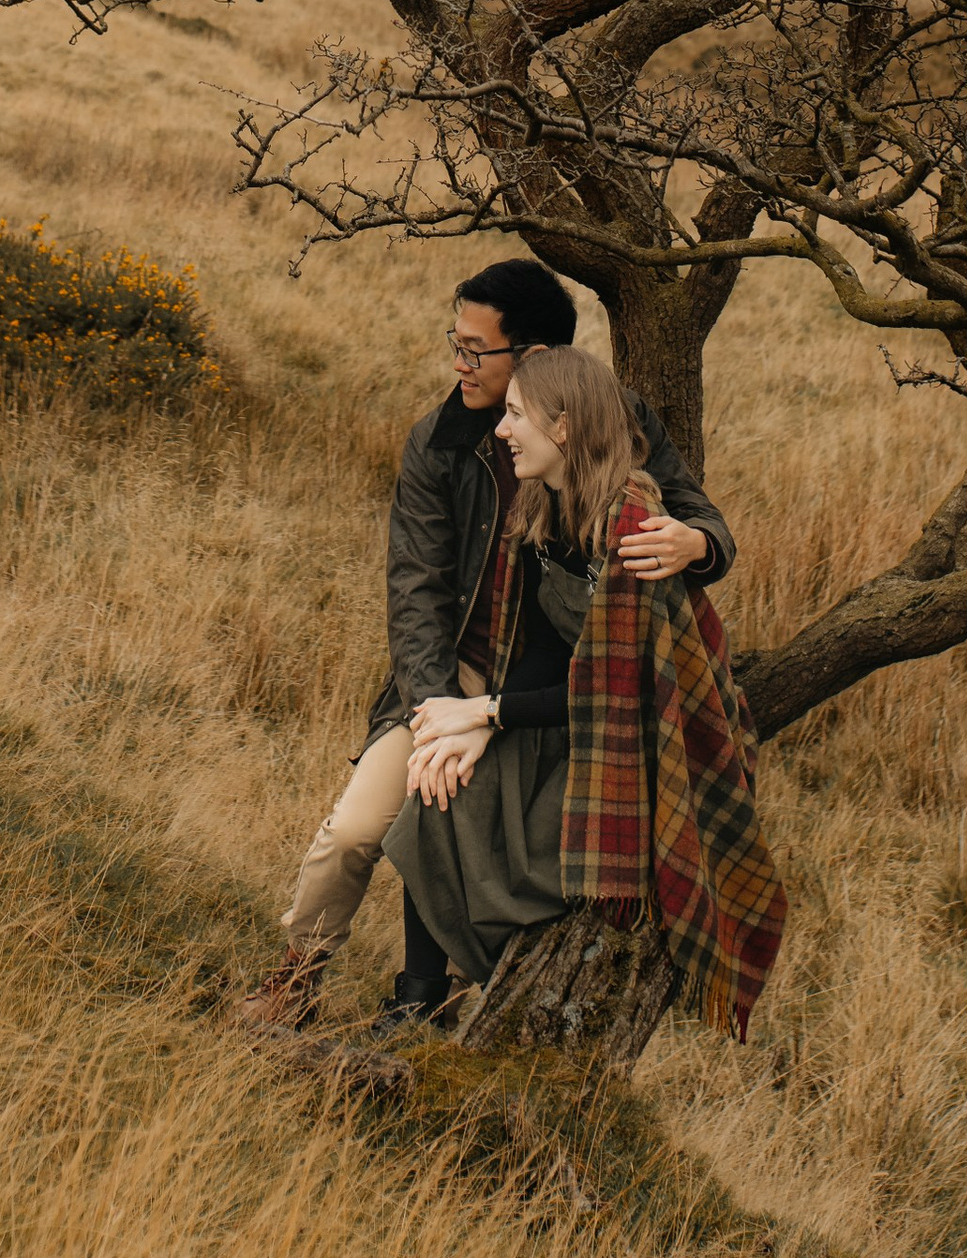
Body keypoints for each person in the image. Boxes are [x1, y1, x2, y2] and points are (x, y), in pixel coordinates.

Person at [234, 257, 733, 1029]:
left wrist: (697, 544)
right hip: (457, 678)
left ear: (531, 359)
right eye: (455, 343)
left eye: (475, 349)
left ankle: (432, 1003)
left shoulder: (605, 419)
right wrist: (441, 712)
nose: (458, 364)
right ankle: (294, 983)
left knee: (476, 829)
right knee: (358, 830)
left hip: (559, 695)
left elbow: (699, 519)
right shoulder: (440, 444)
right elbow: (417, 594)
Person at [387, 343, 785, 1039]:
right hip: (575, 723)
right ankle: (418, 1010)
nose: (502, 429)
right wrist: (474, 730)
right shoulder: (549, 506)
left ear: (564, 429)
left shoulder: (630, 530)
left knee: (515, 845)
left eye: (515, 415)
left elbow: (616, 692)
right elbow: (546, 646)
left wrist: (484, 709)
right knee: (438, 789)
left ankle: (503, 996)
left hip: (645, 752)